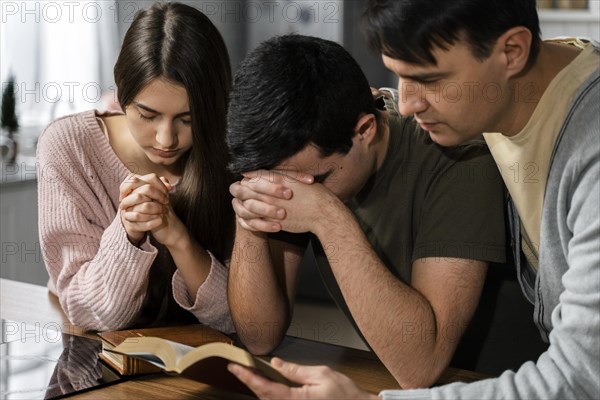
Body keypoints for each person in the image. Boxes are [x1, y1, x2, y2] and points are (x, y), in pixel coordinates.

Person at [227, 0, 600, 399]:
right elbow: (259, 335)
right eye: (399, 76)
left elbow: (578, 377)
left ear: (512, 52)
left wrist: (327, 217)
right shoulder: (487, 105)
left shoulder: (581, 152)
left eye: (430, 79)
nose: (407, 104)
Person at [226, 34, 507, 389]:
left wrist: (327, 217)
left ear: (365, 130)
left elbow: (421, 367)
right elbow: (259, 336)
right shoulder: (300, 166)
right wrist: (249, 215)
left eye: (314, 180)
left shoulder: (459, 159)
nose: (296, 194)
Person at [37, 2, 234, 332]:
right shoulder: (68, 146)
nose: (166, 139)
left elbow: (237, 321)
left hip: (202, 353)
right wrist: (126, 232)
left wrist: (181, 241)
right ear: (121, 94)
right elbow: (89, 314)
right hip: (98, 351)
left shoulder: (231, 156)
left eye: (188, 120)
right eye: (147, 115)